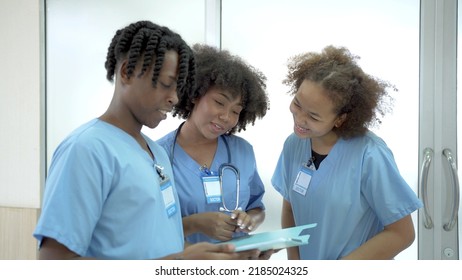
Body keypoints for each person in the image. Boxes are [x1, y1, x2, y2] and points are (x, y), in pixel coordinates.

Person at [33, 20, 260, 260]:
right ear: (127, 72)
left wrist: (223, 257)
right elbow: (54, 262)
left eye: (178, 88)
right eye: (165, 84)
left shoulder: (156, 153)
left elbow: (158, 241)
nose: (174, 98)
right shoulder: (86, 150)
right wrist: (176, 263)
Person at [271, 45, 423, 260]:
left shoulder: (370, 154)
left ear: (340, 119)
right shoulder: (293, 145)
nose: (299, 119)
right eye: (297, 103)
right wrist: (295, 263)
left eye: (313, 116)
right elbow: (290, 210)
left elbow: (402, 234)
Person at [157, 44, 270, 247]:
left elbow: (257, 207)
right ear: (194, 95)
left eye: (236, 111)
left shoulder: (243, 152)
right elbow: (146, 229)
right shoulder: (157, 156)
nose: (226, 117)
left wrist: (250, 220)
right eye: (219, 102)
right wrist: (195, 224)